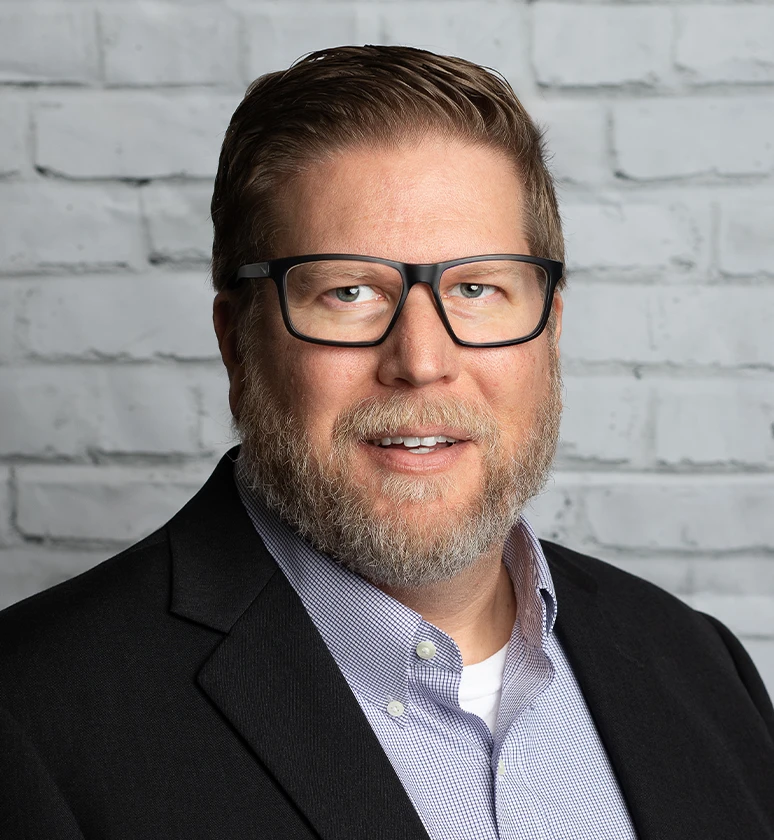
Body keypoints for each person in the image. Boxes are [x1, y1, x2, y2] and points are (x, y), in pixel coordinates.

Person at [0, 45, 772, 840]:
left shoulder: (700, 666)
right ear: (238, 343)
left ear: (550, 332)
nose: (422, 361)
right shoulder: (31, 719)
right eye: (349, 292)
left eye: (477, 289)